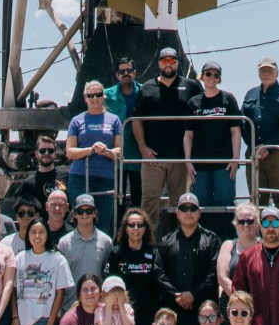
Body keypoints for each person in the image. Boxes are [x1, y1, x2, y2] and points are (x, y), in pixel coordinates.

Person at [132, 47, 197, 229]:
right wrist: (143, 148)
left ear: (177, 63)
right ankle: (148, 243)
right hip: (153, 158)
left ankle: (178, 242)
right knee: (149, 202)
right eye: (164, 61)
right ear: (158, 63)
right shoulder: (146, 89)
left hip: (179, 157)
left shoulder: (191, 86)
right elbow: (137, 121)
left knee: (179, 202)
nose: (168, 64)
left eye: (172, 61)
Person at [182, 62, 243, 225]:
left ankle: (226, 243)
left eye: (216, 75)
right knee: (201, 207)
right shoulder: (193, 102)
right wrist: (187, 161)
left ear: (219, 79)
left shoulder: (228, 99)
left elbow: (236, 131)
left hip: (224, 164)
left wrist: (235, 159)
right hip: (200, 164)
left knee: (226, 207)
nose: (212, 78)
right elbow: (188, 135)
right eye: (208, 74)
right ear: (202, 76)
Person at [158, 194, 219, 325]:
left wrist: (193, 294)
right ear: (177, 213)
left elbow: (213, 272)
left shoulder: (212, 240)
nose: (188, 212)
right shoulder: (166, 241)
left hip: (203, 322)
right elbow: (158, 272)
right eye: (184, 208)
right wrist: (177, 296)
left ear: (199, 212)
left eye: (193, 208)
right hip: (173, 321)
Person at [65, 81, 124, 237]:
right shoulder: (76, 121)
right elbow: (70, 152)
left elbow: (119, 150)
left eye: (98, 94)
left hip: (106, 178)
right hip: (80, 177)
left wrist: (106, 151)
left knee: (104, 224)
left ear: (103, 96)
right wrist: (90, 150)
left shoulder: (114, 120)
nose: (95, 98)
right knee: (81, 221)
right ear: (85, 97)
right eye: (91, 95)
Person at [240, 58, 279, 205]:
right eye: (263, 70)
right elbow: (242, 122)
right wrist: (254, 146)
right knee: (256, 199)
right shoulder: (250, 94)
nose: (266, 73)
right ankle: (257, 228)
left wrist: (268, 147)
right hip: (254, 153)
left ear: (277, 72)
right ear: (258, 73)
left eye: (270, 70)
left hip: (278, 151)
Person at [112, 208, 165, 325]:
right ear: (125, 228)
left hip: (148, 314)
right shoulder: (116, 253)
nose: (135, 228)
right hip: (122, 312)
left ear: (145, 228)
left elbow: (159, 283)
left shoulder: (153, 252)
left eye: (140, 224)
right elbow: (109, 282)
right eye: (131, 224)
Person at [58, 194, 114, 305]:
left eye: (89, 211)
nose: (84, 214)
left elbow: (108, 277)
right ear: (74, 214)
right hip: (70, 306)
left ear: (94, 213)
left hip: (97, 307)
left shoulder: (106, 241)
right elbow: (59, 280)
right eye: (80, 211)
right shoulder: (63, 243)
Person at [103, 58, 142, 207]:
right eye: (122, 71)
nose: (126, 73)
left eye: (129, 70)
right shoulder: (106, 95)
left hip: (138, 153)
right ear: (117, 75)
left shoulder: (145, 91)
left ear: (135, 72)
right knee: (116, 199)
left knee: (139, 196)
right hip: (116, 155)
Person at [216, 202, 261, 307]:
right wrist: (240, 301)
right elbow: (222, 277)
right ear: (235, 223)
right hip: (232, 304)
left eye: (250, 221)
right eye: (241, 221)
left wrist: (252, 303)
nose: (246, 225)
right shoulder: (228, 245)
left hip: (260, 304)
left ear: (257, 223)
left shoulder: (265, 246)